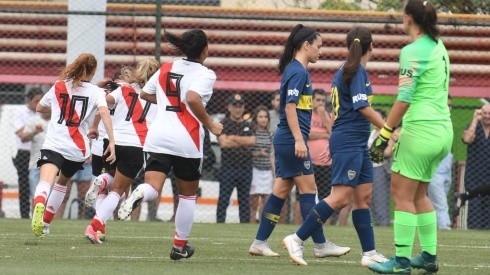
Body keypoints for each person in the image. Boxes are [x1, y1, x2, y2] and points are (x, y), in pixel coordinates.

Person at [282, 26, 387, 267]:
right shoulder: (356, 71)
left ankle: (369, 252)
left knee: (363, 197)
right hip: (348, 140)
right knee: (340, 198)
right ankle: (296, 238)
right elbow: (362, 107)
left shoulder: (352, 70)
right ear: (371, 46)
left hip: (358, 142)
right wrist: (387, 128)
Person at [116, 29, 223, 260]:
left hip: (158, 137)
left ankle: (138, 194)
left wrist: (165, 102)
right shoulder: (206, 73)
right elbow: (193, 98)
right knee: (187, 196)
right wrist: (211, 124)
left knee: (153, 187)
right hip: (188, 139)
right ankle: (179, 246)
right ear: (205, 50)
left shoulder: (165, 68)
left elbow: (144, 93)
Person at [249, 24, 350, 259]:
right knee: (309, 190)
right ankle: (321, 244)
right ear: (306, 45)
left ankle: (259, 241)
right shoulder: (298, 72)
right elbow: (290, 106)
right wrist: (299, 139)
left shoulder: (295, 70)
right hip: (290, 139)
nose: (320, 51)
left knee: (281, 191)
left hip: (286, 139)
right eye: (318, 46)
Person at [368, 1, 453, 273]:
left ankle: (401, 262)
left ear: (408, 18)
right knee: (419, 195)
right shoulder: (438, 46)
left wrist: (384, 133)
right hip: (443, 131)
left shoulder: (411, 51)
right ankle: (428, 256)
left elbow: (404, 99)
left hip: (421, 131)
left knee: (401, 194)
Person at [30, 53, 116, 237]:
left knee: (46, 180)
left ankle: (39, 203)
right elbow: (104, 112)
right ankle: (45, 222)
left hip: (54, 143)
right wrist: (112, 141)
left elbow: (39, 108)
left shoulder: (59, 85)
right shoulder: (96, 92)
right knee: (62, 183)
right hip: (77, 149)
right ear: (93, 71)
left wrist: (59, 108)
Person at [83, 57, 159, 243]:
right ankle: (94, 226)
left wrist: (97, 89)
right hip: (137, 145)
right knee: (118, 190)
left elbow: (104, 102)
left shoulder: (124, 89)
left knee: (111, 178)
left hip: (113, 142)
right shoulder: (159, 95)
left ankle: (101, 181)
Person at [216, 93, 255, 223]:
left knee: (244, 200)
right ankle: (219, 225)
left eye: (240, 106)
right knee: (224, 199)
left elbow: (252, 141)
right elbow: (224, 143)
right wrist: (242, 141)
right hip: (228, 168)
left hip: (246, 168)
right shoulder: (223, 124)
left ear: (243, 108)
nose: (238, 109)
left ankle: (244, 226)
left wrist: (233, 138)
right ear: (229, 107)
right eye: (235, 106)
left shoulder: (249, 125)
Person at [12, 87, 44, 218]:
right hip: (24, 153)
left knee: (41, 184)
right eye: (36, 101)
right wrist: (34, 132)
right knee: (24, 185)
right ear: (29, 100)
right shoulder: (19, 112)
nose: (39, 104)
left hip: (40, 152)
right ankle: (25, 215)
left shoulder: (43, 113)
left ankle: (39, 214)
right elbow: (21, 135)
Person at [460, 104, 490, 229]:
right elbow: (467, 139)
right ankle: (474, 232)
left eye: (489, 113)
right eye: (484, 113)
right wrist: (474, 119)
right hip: (474, 175)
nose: (487, 116)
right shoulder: (473, 126)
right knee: (475, 208)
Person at [427, 95, 453, 230]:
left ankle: (435, 226)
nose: (448, 108)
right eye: (446, 105)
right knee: (441, 202)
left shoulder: (448, 123)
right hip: (435, 168)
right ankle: (445, 227)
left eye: (450, 105)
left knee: (438, 201)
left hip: (447, 168)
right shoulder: (433, 122)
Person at [249, 105, 274, 223]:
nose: (263, 119)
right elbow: (248, 151)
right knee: (254, 201)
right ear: (256, 118)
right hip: (255, 169)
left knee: (266, 199)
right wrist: (258, 153)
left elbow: (272, 154)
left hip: (267, 170)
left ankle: (263, 224)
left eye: (265, 117)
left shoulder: (271, 134)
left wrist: (275, 174)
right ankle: (252, 222)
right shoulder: (252, 132)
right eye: (260, 117)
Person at [367, 109, 392, 226]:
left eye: (377, 117)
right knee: (368, 197)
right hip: (368, 167)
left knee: (380, 198)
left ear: (384, 119)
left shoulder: (387, 134)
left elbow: (388, 152)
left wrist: (373, 152)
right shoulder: (371, 133)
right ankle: (374, 222)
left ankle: (383, 222)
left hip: (379, 167)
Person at [24, 110, 50, 210]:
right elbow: (23, 139)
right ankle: (36, 218)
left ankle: (47, 220)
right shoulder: (33, 120)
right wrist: (35, 132)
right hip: (35, 164)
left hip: (53, 164)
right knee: (35, 195)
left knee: (50, 196)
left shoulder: (57, 121)